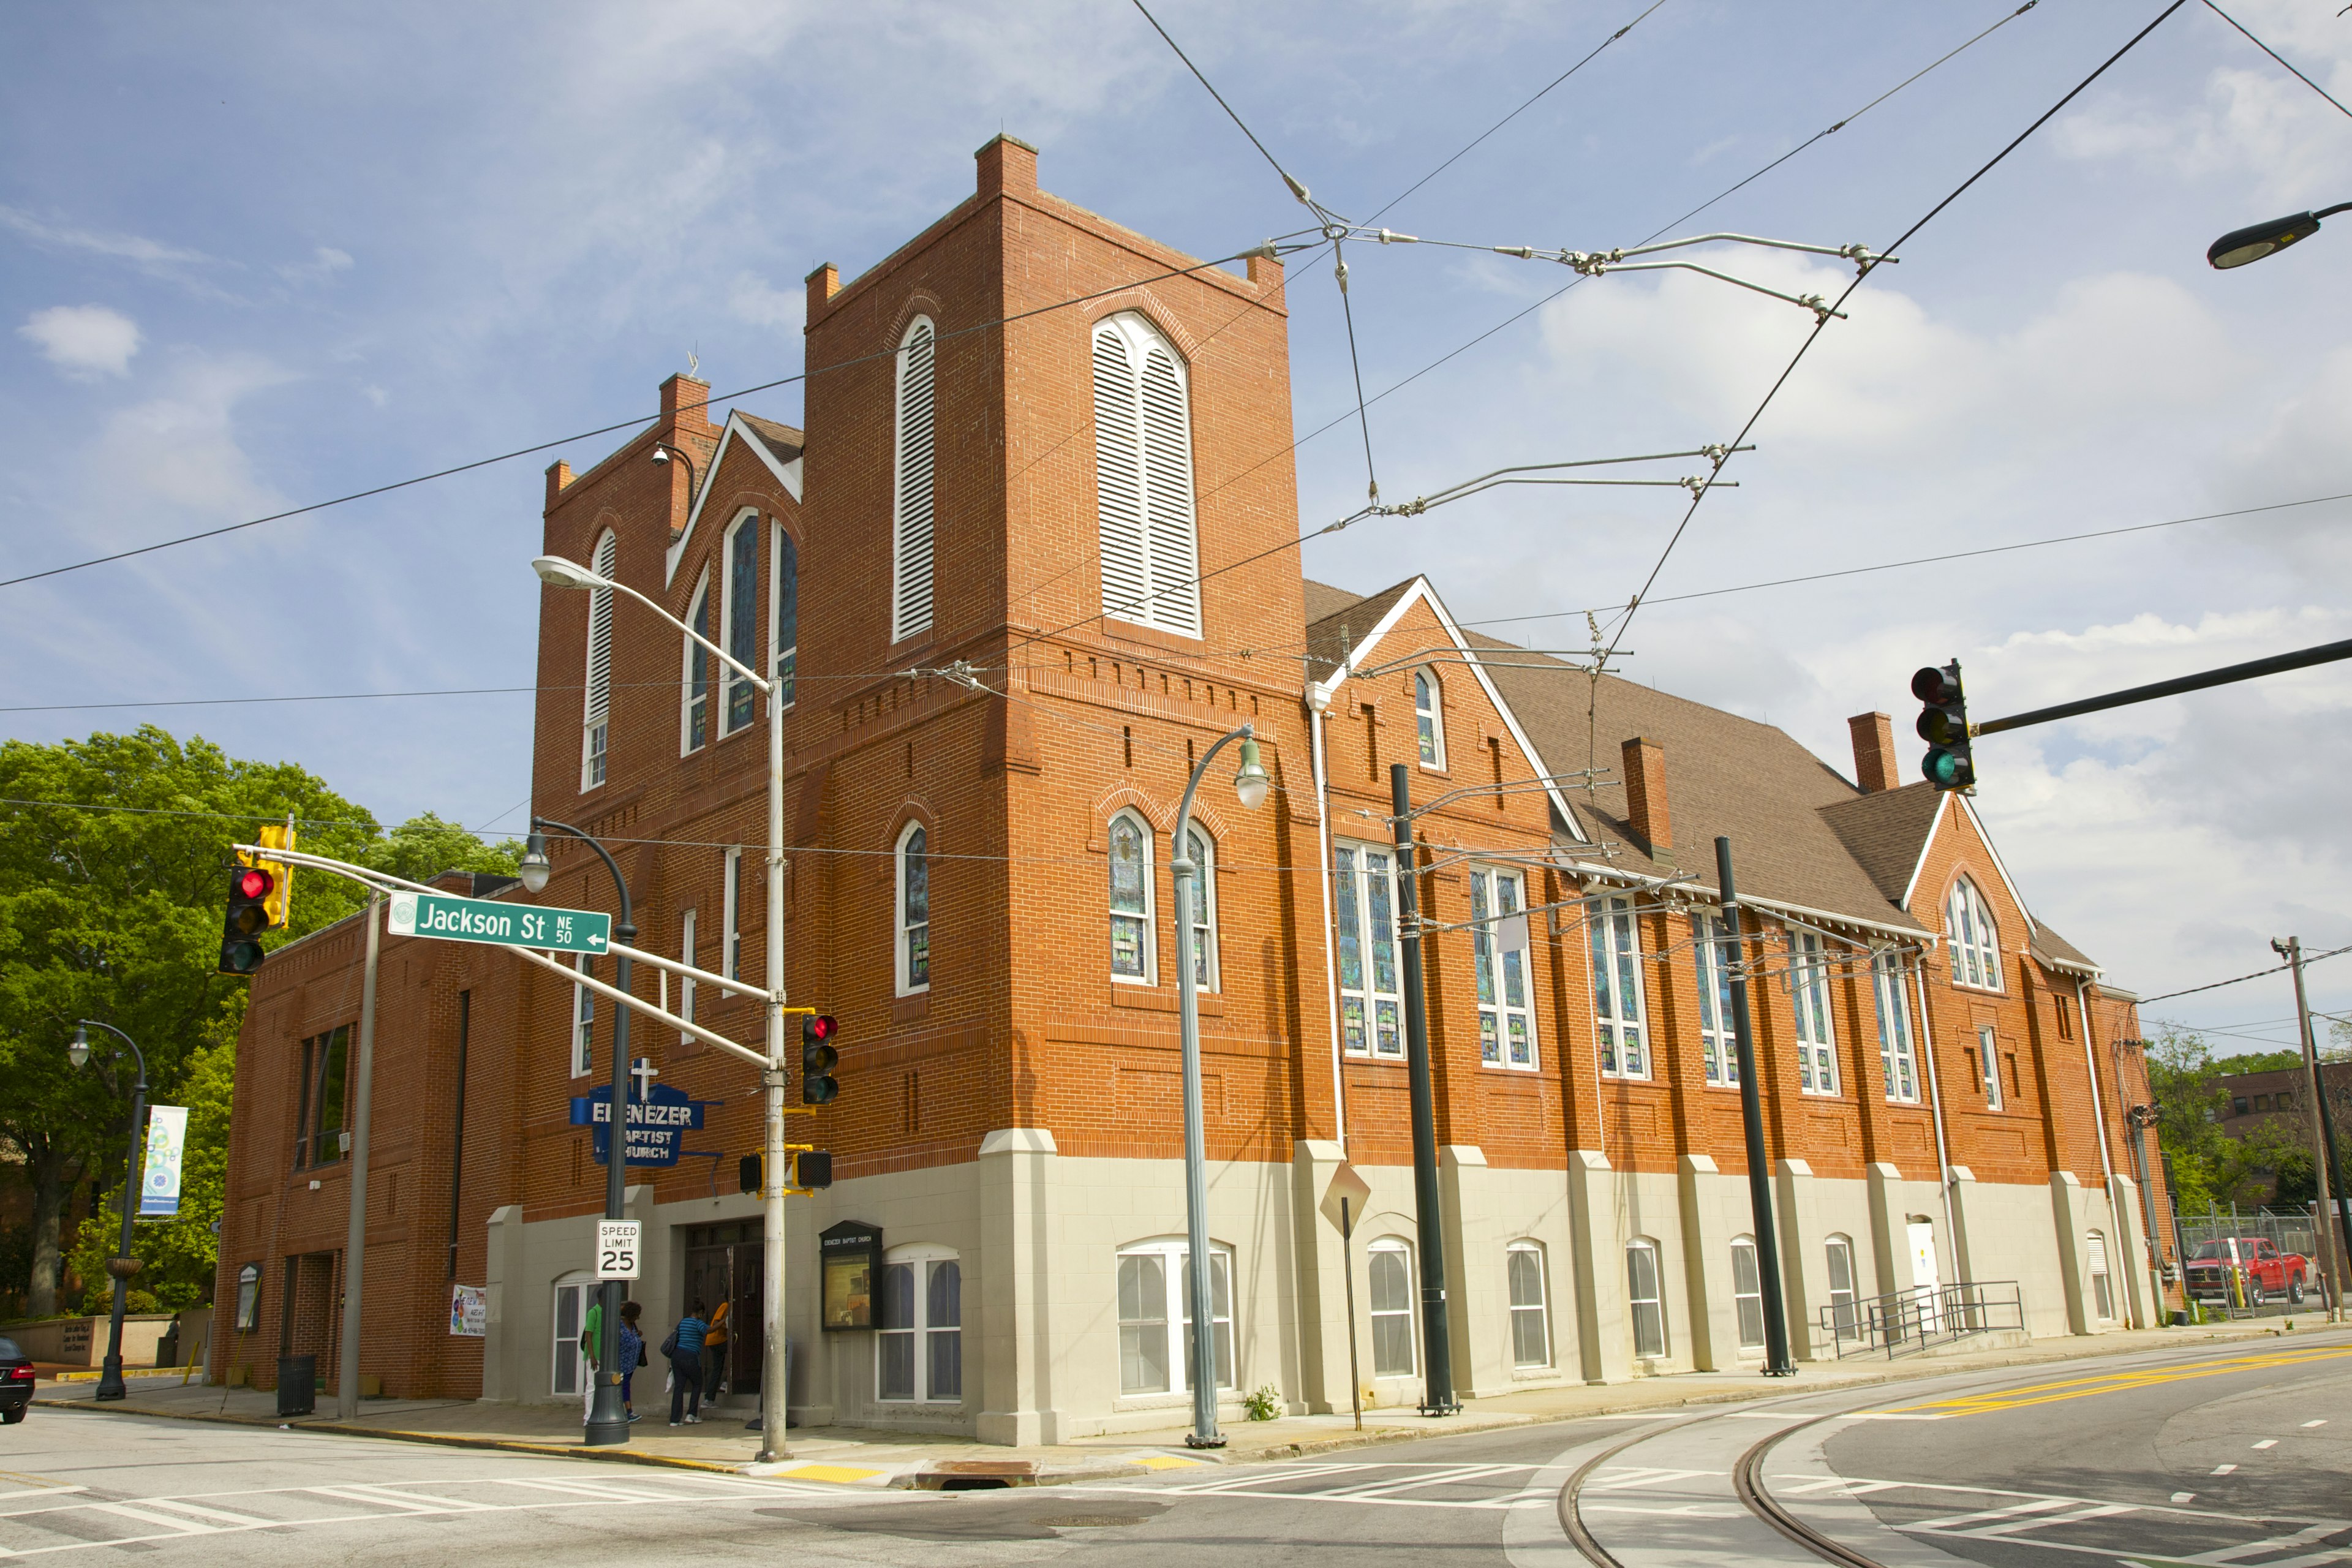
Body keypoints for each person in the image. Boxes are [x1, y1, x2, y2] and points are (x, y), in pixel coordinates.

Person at [667, 1299, 709, 1426]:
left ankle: (674, 1419)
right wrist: (723, 1322)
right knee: (697, 1383)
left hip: (677, 1355)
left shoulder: (683, 1322)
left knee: (679, 1386)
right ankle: (691, 1414)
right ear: (701, 1312)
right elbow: (709, 1330)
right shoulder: (698, 1323)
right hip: (690, 1356)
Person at [617, 1301, 644, 1423]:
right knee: (624, 1387)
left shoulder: (633, 1326)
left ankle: (627, 1412)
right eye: (636, 1315)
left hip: (631, 1364)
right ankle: (629, 1412)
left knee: (626, 1387)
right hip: (622, 1363)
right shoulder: (620, 1326)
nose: (637, 1318)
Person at [701, 1296, 729, 1398]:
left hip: (717, 1340)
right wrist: (725, 1325)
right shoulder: (725, 1305)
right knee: (736, 1351)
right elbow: (717, 1322)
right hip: (717, 1339)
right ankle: (727, 1381)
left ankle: (709, 1398)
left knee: (717, 1369)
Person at [581, 1294, 603, 1417]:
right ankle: (588, 1416)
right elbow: (588, 1335)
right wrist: (592, 1356)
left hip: (604, 1355)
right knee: (592, 1386)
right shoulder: (594, 1312)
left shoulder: (606, 1313)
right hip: (594, 1356)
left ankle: (598, 1412)